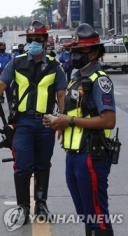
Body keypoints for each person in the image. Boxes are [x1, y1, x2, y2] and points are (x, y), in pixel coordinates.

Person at [0, 20, 67, 224]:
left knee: (42, 165)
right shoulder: (17, 62)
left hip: (47, 122)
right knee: (22, 164)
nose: (33, 43)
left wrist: (62, 121)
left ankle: (41, 204)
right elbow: (1, 83)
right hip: (23, 123)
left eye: (37, 40)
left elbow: (61, 96)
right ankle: (23, 207)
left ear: (46, 41)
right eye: (30, 40)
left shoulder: (55, 67)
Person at [43, 23, 116, 236]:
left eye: (79, 52)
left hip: (91, 155)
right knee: (86, 213)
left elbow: (108, 120)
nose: (74, 56)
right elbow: (76, 113)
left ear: (94, 53)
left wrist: (70, 122)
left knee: (97, 216)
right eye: (72, 51)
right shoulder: (76, 78)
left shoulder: (99, 80)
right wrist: (57, 121)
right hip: (73, 155)